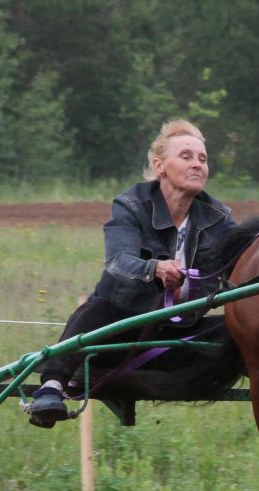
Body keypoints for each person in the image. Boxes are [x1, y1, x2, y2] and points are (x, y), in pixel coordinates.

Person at [25, 119, 239, 426]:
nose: (197, 165)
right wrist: (155, 269)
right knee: (94, 312)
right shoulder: (131, 205)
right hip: (123, 327)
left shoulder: (219, 217)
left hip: (179, 334)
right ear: (160, 166)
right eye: (187, 156)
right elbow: (118, 260)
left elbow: (246, 258)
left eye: (203, 159)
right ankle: (51, 387)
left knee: (241, 329)